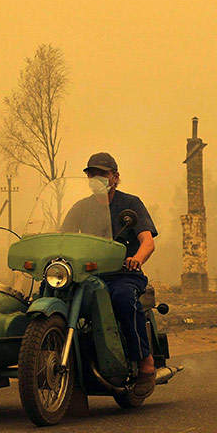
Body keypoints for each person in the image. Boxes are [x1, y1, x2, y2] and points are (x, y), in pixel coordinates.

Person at [82, 152, 158, 404]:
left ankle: (145, 363)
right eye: (92, 174)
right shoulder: (82, 208)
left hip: (124, 275)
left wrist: (137, 258)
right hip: (90, 275)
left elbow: (147, 242)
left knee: (124, 298)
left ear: (115, 176)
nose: (96, 179)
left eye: (102, 174)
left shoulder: (130, 204)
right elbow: (62, 235)